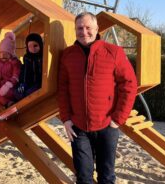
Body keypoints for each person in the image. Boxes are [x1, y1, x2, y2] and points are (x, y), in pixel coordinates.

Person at [58, 12, 137, 184]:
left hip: (107, 126)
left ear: (96, 29)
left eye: (88, 28)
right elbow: (62, 89)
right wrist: (66, 119)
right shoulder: (67, 55)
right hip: (78, 128)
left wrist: (118, 119)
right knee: (83, 177)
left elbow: (130, 84)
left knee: (106, 177)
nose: (84, 32)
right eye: (80, 28)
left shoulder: (113, 52)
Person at [14, 33, 43, 101]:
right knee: (16, 92)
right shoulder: (27, 58)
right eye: (29, 46)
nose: (33, 49)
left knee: (28, 93)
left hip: (38, 83)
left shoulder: (42, 57)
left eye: (35, 45)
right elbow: (25, 71)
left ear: (40, 45)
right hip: (28, 82)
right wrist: (22, 83)